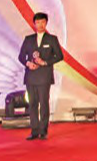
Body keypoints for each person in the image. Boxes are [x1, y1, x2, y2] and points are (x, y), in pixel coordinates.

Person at [17, 12, 64, 141]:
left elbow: (60, 56)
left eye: (42, 22)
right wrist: (28, 63)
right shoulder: (28, 39)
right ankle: (34, 130)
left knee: (43, 104)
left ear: (46, 23)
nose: (40, 25)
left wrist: (45, 62)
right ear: (34, 24)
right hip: (31, 76)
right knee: (32, 104)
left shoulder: (52, 39)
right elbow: (21, 56)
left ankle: (43, 131)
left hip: (44, 76)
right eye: (37, 22)